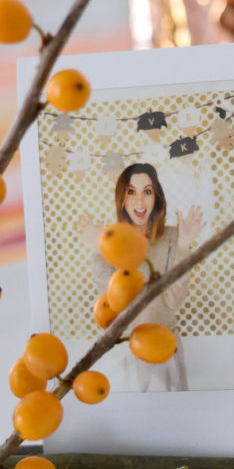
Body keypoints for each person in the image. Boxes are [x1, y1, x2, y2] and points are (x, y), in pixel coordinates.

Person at [77, 163, 205, 391]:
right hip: (128, 346)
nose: (140, 201)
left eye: (147, 191)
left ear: (157, 196)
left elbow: (173, 302)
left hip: (166, 343)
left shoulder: (174, 237)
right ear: (122, 199)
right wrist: (99, 251)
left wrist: (184, 245)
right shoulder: (114, 240)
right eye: (131, 192)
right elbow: (112, 304)